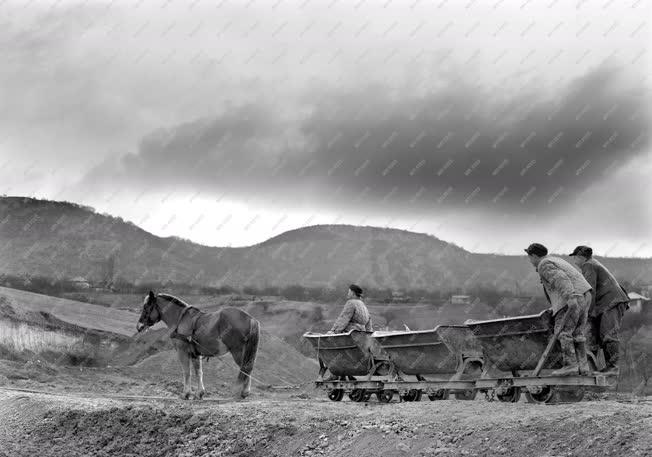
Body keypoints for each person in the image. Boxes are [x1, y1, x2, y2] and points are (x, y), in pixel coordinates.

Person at [525, 243, 593, 376]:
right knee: (577, 334)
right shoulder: (556, 259)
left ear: (533, 256)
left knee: (563, 332)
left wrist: (570, 297)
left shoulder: (544, 264)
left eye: (529, 257)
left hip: (571, 298)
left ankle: (571, 366)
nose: (530, 261)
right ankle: (583, 367)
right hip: (585, 296)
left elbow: (561, 279)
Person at [569, 245, 629, 375]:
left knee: (608, 334)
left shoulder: (588, 265)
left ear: (580, 257)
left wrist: (586, 314)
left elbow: (589, 291)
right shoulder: (592, 263)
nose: (574, 261)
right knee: (598, 336)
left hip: (611, 302)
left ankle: (613, 368)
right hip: (607, 303)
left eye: (574, 257)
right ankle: (598, 368)